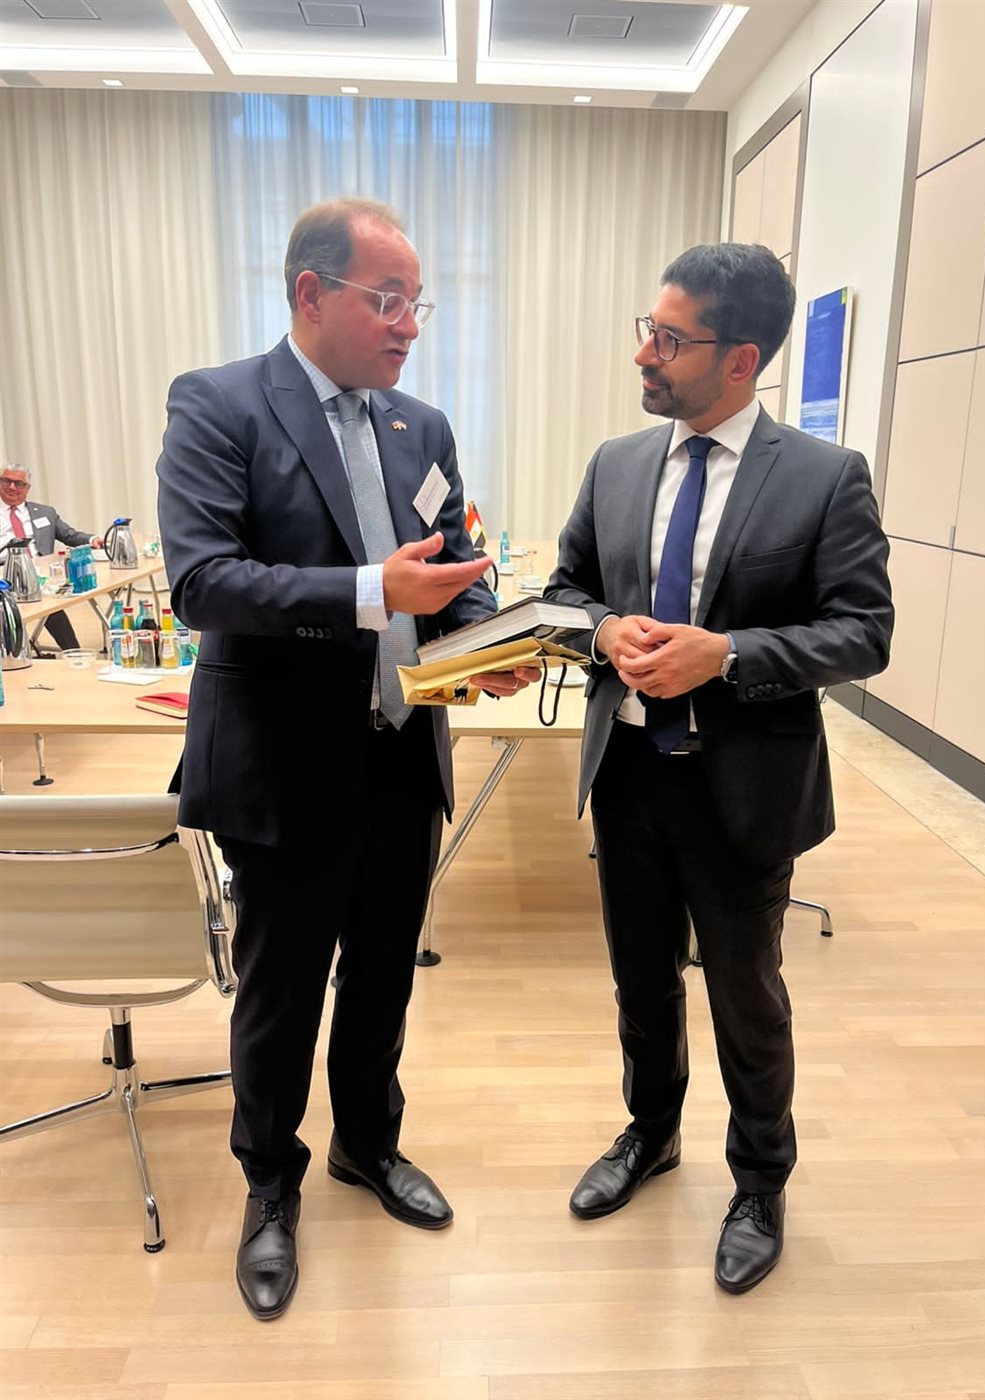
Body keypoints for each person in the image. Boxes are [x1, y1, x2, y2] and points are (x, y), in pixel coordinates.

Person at [157, 197, 537, 1321]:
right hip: (284, 766)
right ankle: (270, 1183)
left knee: (381, 978)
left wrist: (488, 643)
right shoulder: (220, 404)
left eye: (418, 303)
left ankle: (367, 1144)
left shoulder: (423, 426)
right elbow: (204, 582)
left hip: (402, 756)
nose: (409, 324)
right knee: (281, 992)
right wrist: (373, 590)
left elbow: (456, 568)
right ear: (311, 294)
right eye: (389, 300)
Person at [545, 243, 893, 1294]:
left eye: (670, 338)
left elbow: (863, 631)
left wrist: (729, 653)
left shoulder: (825, 477)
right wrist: (603, 631)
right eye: (646, 328)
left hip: (743, 786)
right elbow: (565, 589)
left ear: (741, 359)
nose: (644, 353)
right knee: (640, 980)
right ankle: (651, 1132)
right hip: (627, 772)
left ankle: (760, 1181)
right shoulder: (617, 463)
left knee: (747, 993)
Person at [0, 465, 102, 651]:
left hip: (41, 575)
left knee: (50, 603)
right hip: (5, 576)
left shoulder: (45, 512)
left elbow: (69, 535)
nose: (12, 487)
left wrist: (92, 540)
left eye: (19, 483)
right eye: (6, 481)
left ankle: (72, 651)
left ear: (27, 488)